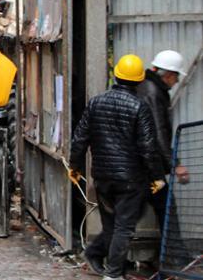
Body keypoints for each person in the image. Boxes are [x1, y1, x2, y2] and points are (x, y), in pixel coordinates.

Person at [70, 54, 166, 280]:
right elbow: (148, 148)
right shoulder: (140, 107)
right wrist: (157, 177)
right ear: (140, 80)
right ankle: (113, 274)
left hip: (102, 178)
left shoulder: (96, 102)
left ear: (116, 76)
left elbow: (80, 139)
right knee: (124, 228)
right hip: (131, 180)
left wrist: (75, 166)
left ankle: (109, 265)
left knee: (111, 224)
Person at [137, 50, 190, 227]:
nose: (176, 82)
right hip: (149, 168)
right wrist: (175, 164)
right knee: (166, 206)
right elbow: (158, 132)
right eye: (176, 77)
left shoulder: (146, 87)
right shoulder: (153, 93)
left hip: (141, 164)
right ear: (168, 75)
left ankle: (98, 250)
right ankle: (174, 254)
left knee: (131, 214)